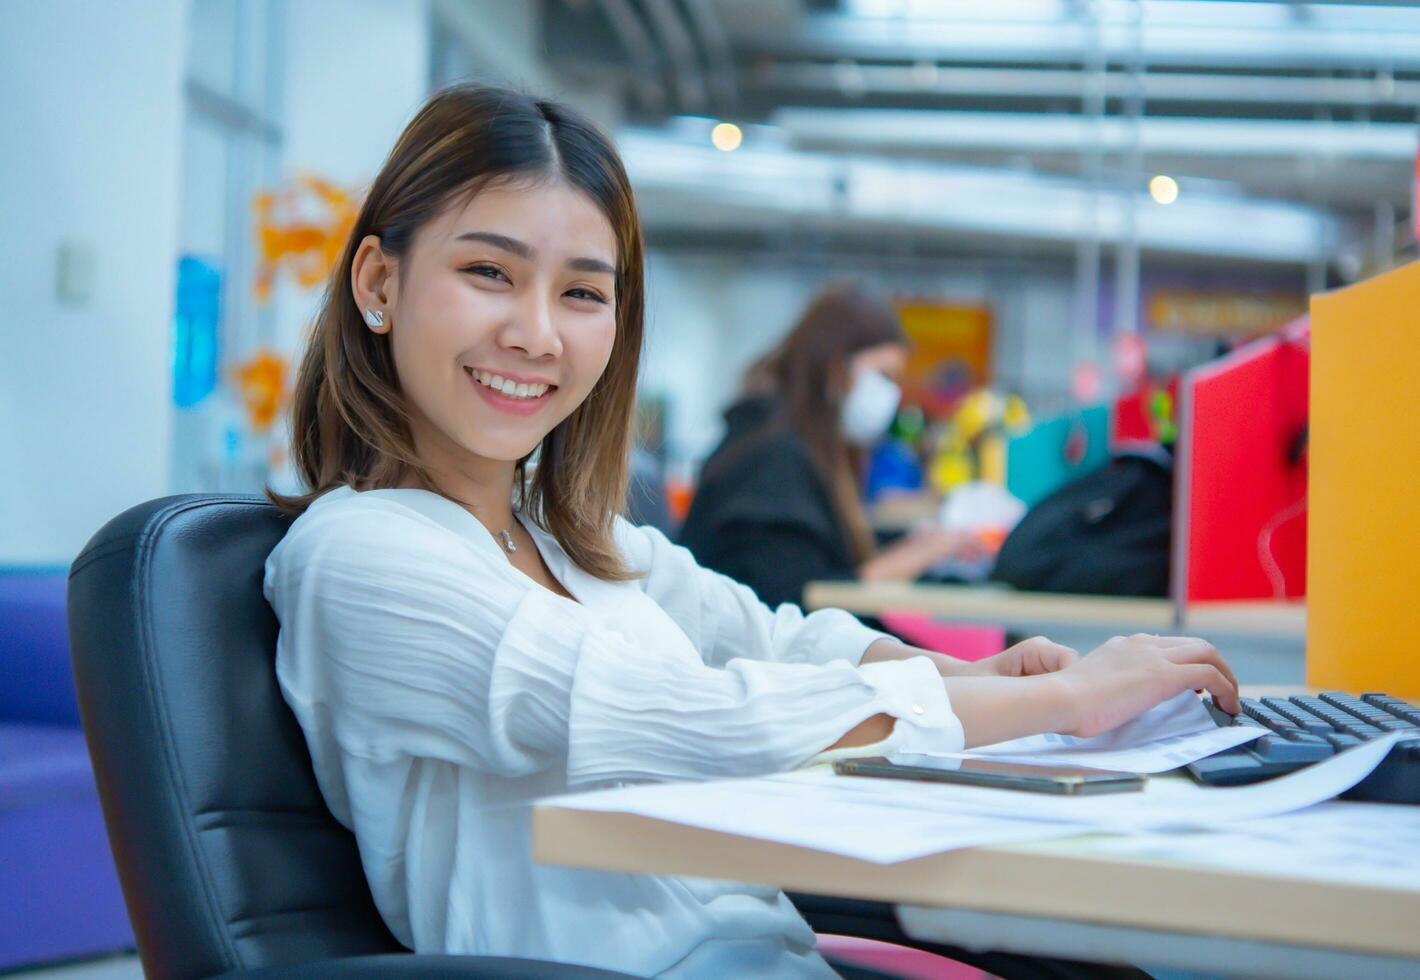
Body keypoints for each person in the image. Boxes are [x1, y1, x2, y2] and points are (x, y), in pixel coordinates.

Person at [263, 84, 1239, 979]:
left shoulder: (573, 540)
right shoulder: (362, 554)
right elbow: (692, 711)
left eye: (582, 292)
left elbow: (774, 637)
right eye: (489, 272)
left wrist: (988, 679)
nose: (538, 333)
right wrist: (1068, 699)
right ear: (378, 283)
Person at [678, 284, 979, 610]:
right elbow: (791, 599)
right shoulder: (771, 457)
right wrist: (904, 562)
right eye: (883, 375)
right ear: (835, 365)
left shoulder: (800, 447)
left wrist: (906, 546)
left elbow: (817, 551)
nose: (890, 395)